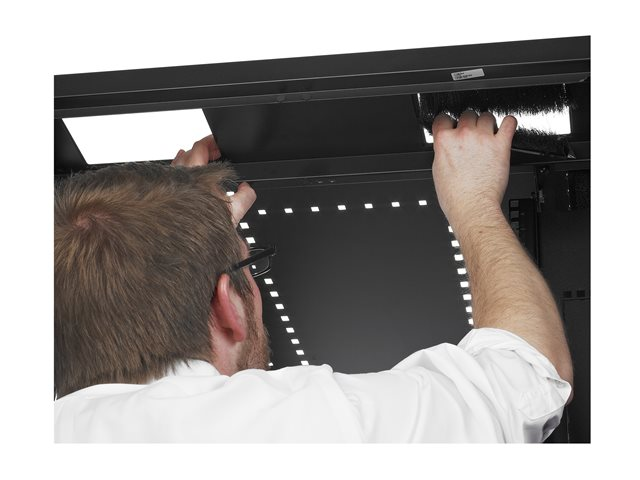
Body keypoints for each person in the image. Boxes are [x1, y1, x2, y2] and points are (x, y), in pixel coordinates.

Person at [54, 111, 573, 442]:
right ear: (227, 306)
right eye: (249, 267)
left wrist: (170, 233)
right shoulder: (298, 428)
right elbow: (531, 378)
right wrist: (475, 202)